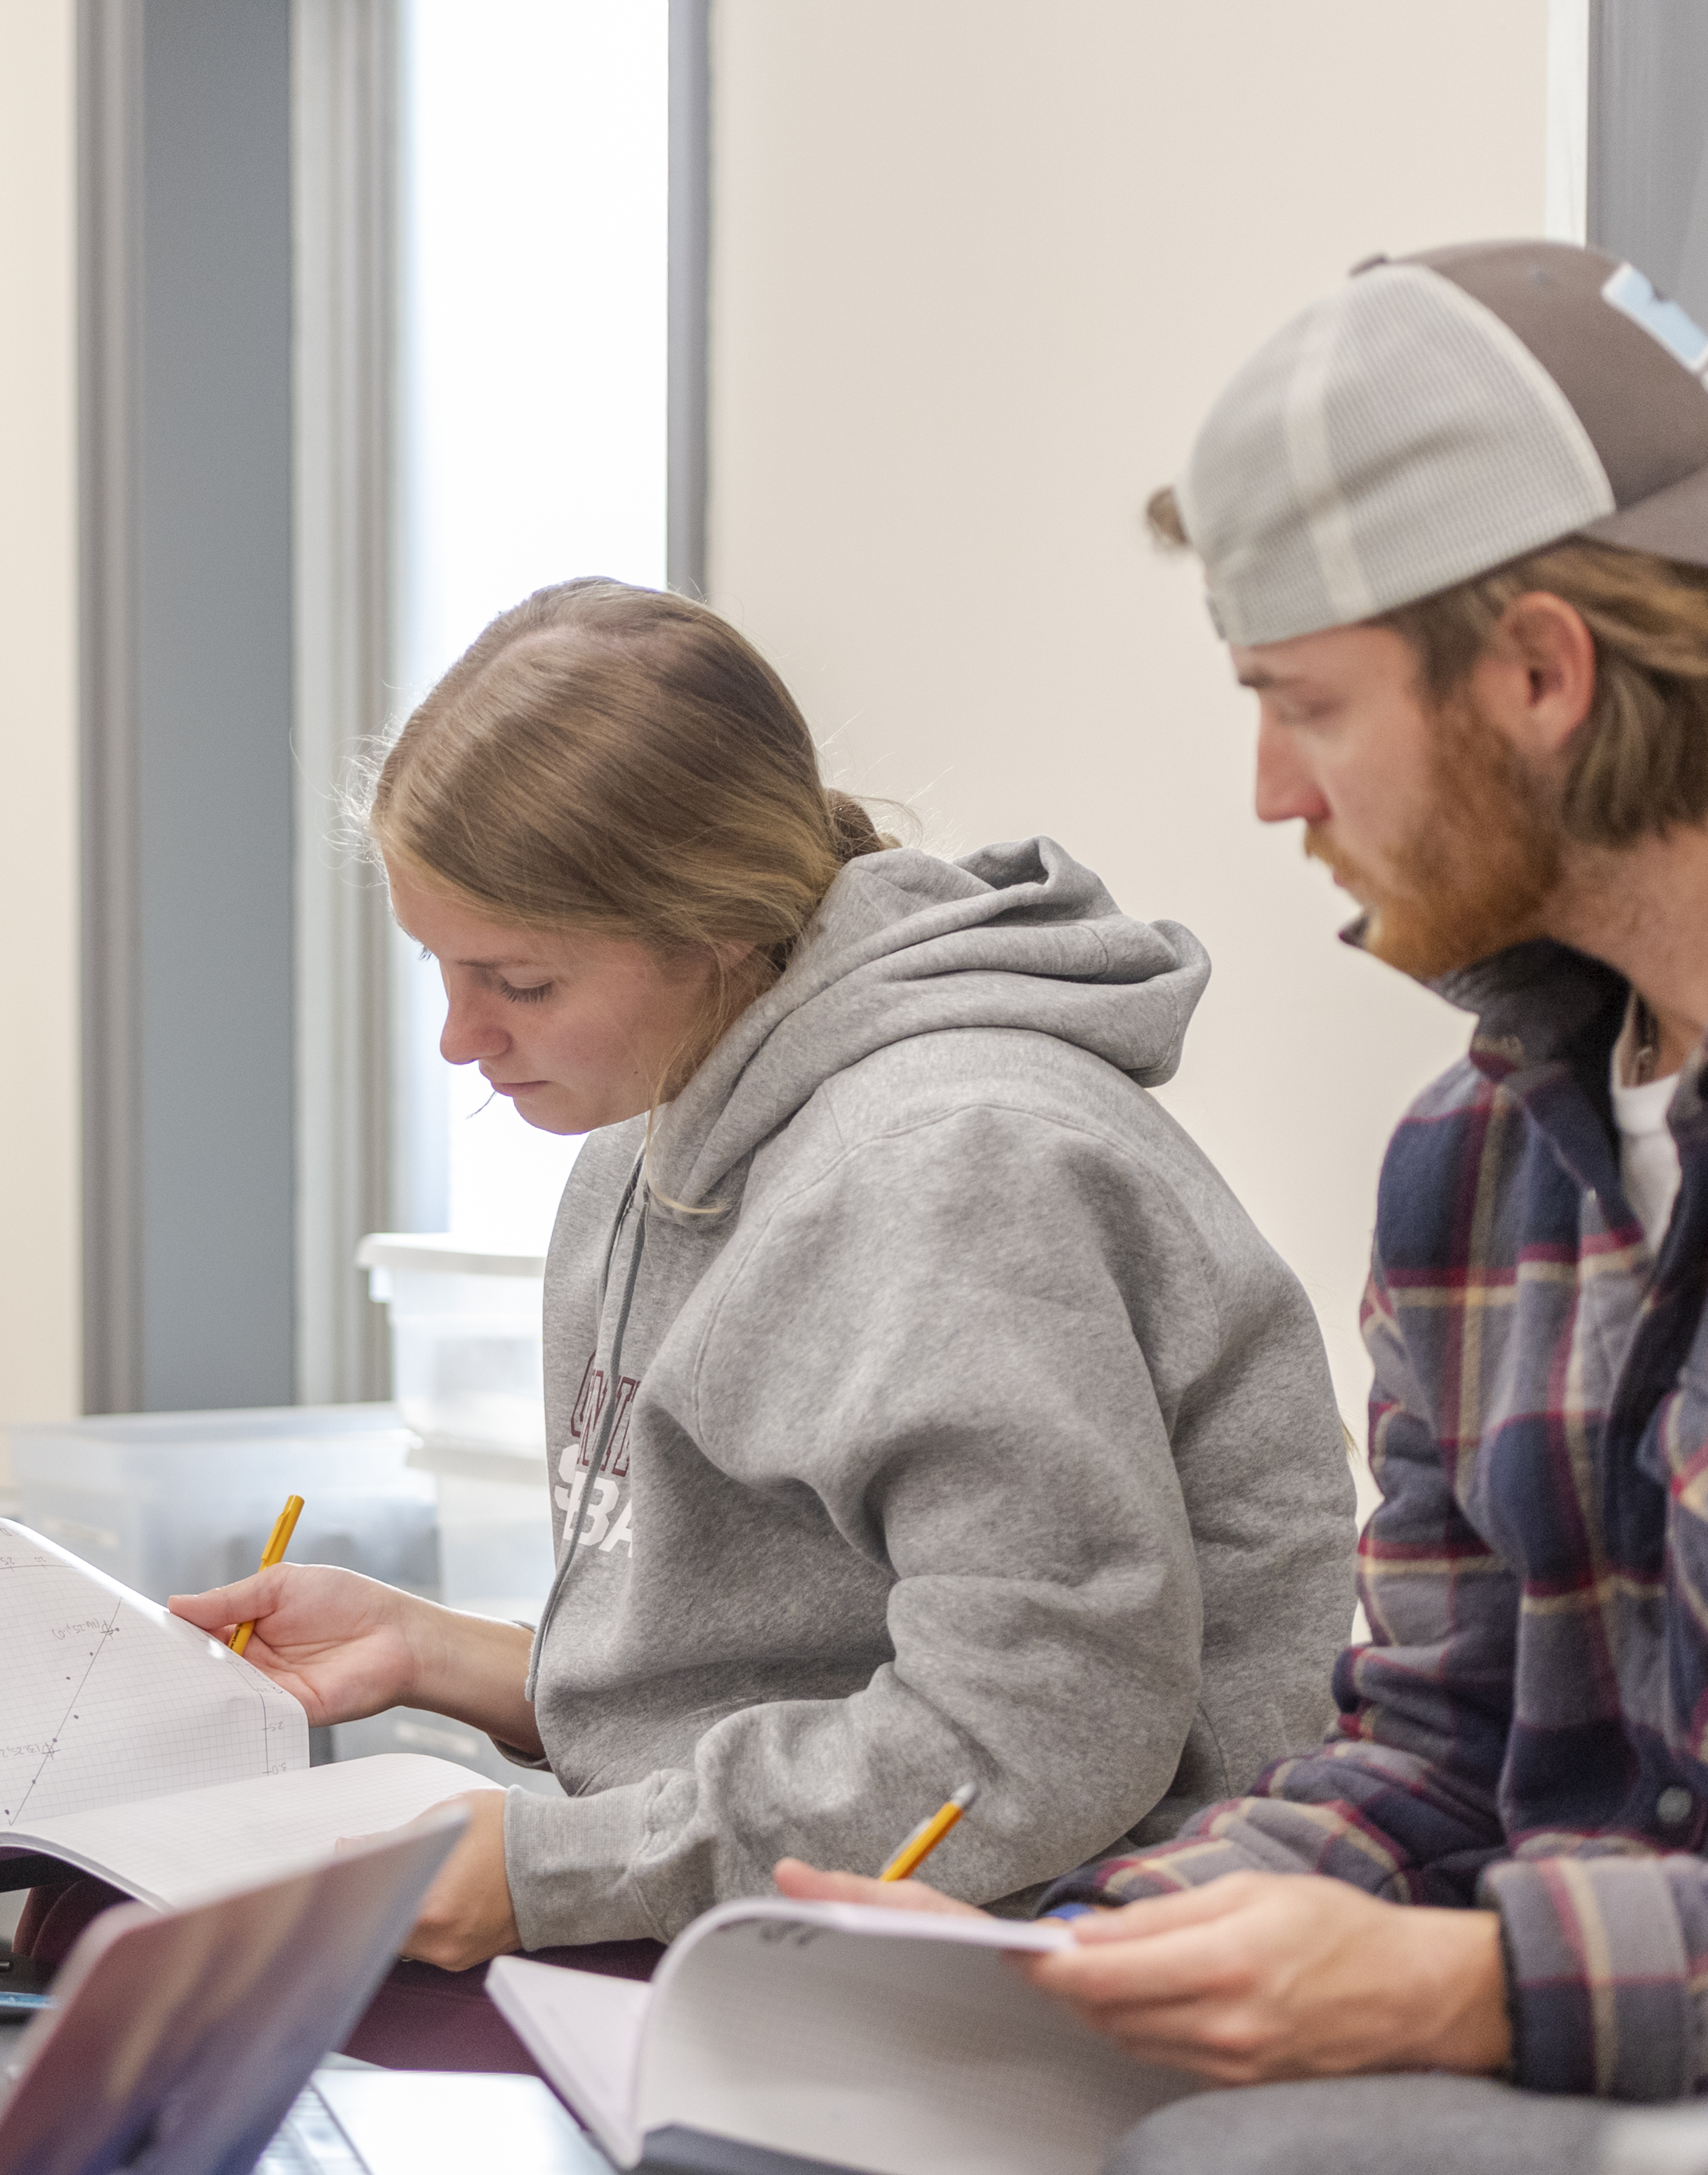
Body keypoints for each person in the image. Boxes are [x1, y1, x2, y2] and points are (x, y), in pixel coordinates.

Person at [782, 239, 1708, 2175]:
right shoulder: (1480, 1164)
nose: (1272, 797)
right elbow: (1440, 1745)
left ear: (1541, 673)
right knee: (900, 2151)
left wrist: (1471, 1984)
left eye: (1301, 707)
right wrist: (1081, 1957)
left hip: (1619, 2072)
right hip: (1591, 2069)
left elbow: (1474, 1921)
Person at [166, 580, 1354, 2006]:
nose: (459, 1036)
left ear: (713, 926)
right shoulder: (651, 1130)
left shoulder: (941, 1171)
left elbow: (1029, 1735)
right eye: (440, 964)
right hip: (809, 1931)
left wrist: (557, 1870)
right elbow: (792, 1654)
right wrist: (439, 1652)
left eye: (519, 981)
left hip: (1053, 1962)